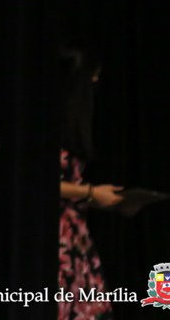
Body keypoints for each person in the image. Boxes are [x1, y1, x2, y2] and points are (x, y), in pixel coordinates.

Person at [57, 43, 123, 320]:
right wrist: (91, 192)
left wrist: (96, 197)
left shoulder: (73, 127)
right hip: (59, 237)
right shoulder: (47, 126)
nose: (96, 83)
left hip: (76, 232)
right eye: (92, 76)